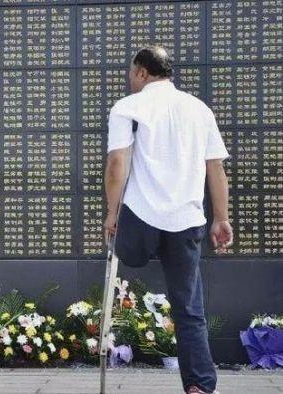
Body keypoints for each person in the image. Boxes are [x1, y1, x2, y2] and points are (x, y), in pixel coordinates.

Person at [103, 45, 233, 394]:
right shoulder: (199, 109)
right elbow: (215, 167)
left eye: (132, 72)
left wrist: (111, 214)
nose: (130, 79)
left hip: (141, 220)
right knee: (189, 308)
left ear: (143, 72)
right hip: (187, 220)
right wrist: (221, 218)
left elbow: (118, 163)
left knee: (129, 254)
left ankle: (137, 252)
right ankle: (200, 387)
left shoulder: (128, 107)